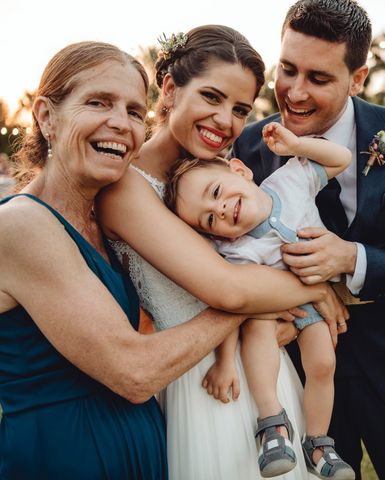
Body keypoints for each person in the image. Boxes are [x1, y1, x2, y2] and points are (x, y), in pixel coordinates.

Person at [95, 25, 346, 480]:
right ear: (169, 88)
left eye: (240, 109)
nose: (225, 121)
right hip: (202, 385)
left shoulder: (221, 183)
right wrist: (313, 284)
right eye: (211, 97)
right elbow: (229, 289)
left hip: (261, 372)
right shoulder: (126, 188)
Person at [231, 1, 385, 478]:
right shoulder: (248, 146)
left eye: (319, 78)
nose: (294, 92)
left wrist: (352, 258)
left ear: (358, 79)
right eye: (288, 69)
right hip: (295, 374)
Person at [0, 40, 242, 480]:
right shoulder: (20, 225)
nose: (120, 124)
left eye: (134, 111)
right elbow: (135, 372)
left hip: (141, 447)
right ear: (46, 116)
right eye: (98, 102)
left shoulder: (105, 222)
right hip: (64, 458)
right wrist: (242, 304)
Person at [165, 123, 355, 479]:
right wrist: (224, 362)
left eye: (217, 191)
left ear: (239, 170)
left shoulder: (290, 181)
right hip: (266, 309)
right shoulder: (233, 250)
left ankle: (317, 442)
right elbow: (229, 306)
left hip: (309, 306)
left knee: (323, 364)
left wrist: (298, 144)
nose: (220, 209)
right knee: (259, 333)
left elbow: (341, 158)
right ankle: (272, 424)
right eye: (209, 219)